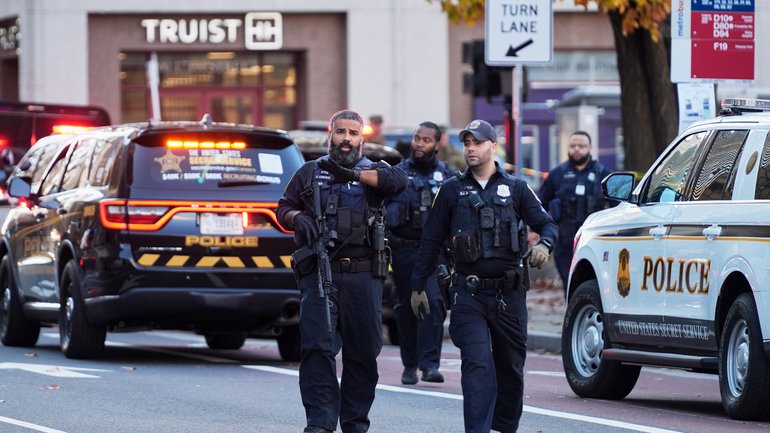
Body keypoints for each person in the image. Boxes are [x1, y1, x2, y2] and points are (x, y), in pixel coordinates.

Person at [411, 119, 558, 433]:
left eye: (476, 142)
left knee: (510, 369)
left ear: (493, 145)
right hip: (469, 293)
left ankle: (504, 427)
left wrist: (545, 245)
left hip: (509, 294)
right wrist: (418, 285)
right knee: (477, 366)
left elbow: (548, 225)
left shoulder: (517, 187)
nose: (470, 149)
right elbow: (431, 240)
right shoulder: (451, 189)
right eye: (466, 143)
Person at [277, 110, 407, 433]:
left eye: (353, 133)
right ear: (330, 134)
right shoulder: (309, 173)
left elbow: (398, 182)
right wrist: (298, 219)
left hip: (364, 276)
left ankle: (355, 423)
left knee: (363, 353)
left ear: (362, 137)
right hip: (322, 274)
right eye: (341, 133)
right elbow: (283, 208)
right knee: (318, 349)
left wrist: (352, 175)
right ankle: (319, 423)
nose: (346, 139)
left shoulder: (374, 172)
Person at [385, 121, 460, 385]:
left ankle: (430, 364)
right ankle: (410, 364)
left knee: (435, 302)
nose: (419, 143)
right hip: (404, 250)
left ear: (437, 145)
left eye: (426, 140)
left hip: (435, 252)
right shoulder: (397, 174)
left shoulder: (449, 177)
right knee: (406, 307)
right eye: (417, 138)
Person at [538, 130, 612, 294]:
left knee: (593, 284)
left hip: (594, 241)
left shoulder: (603, 174)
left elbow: (616, 206)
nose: (576, 149)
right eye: (573, 146)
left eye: (581, 146)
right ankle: (571, 317)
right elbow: (540, 205)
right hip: (565, 241)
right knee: (569, 284)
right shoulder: (557, 174)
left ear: (590, 148)